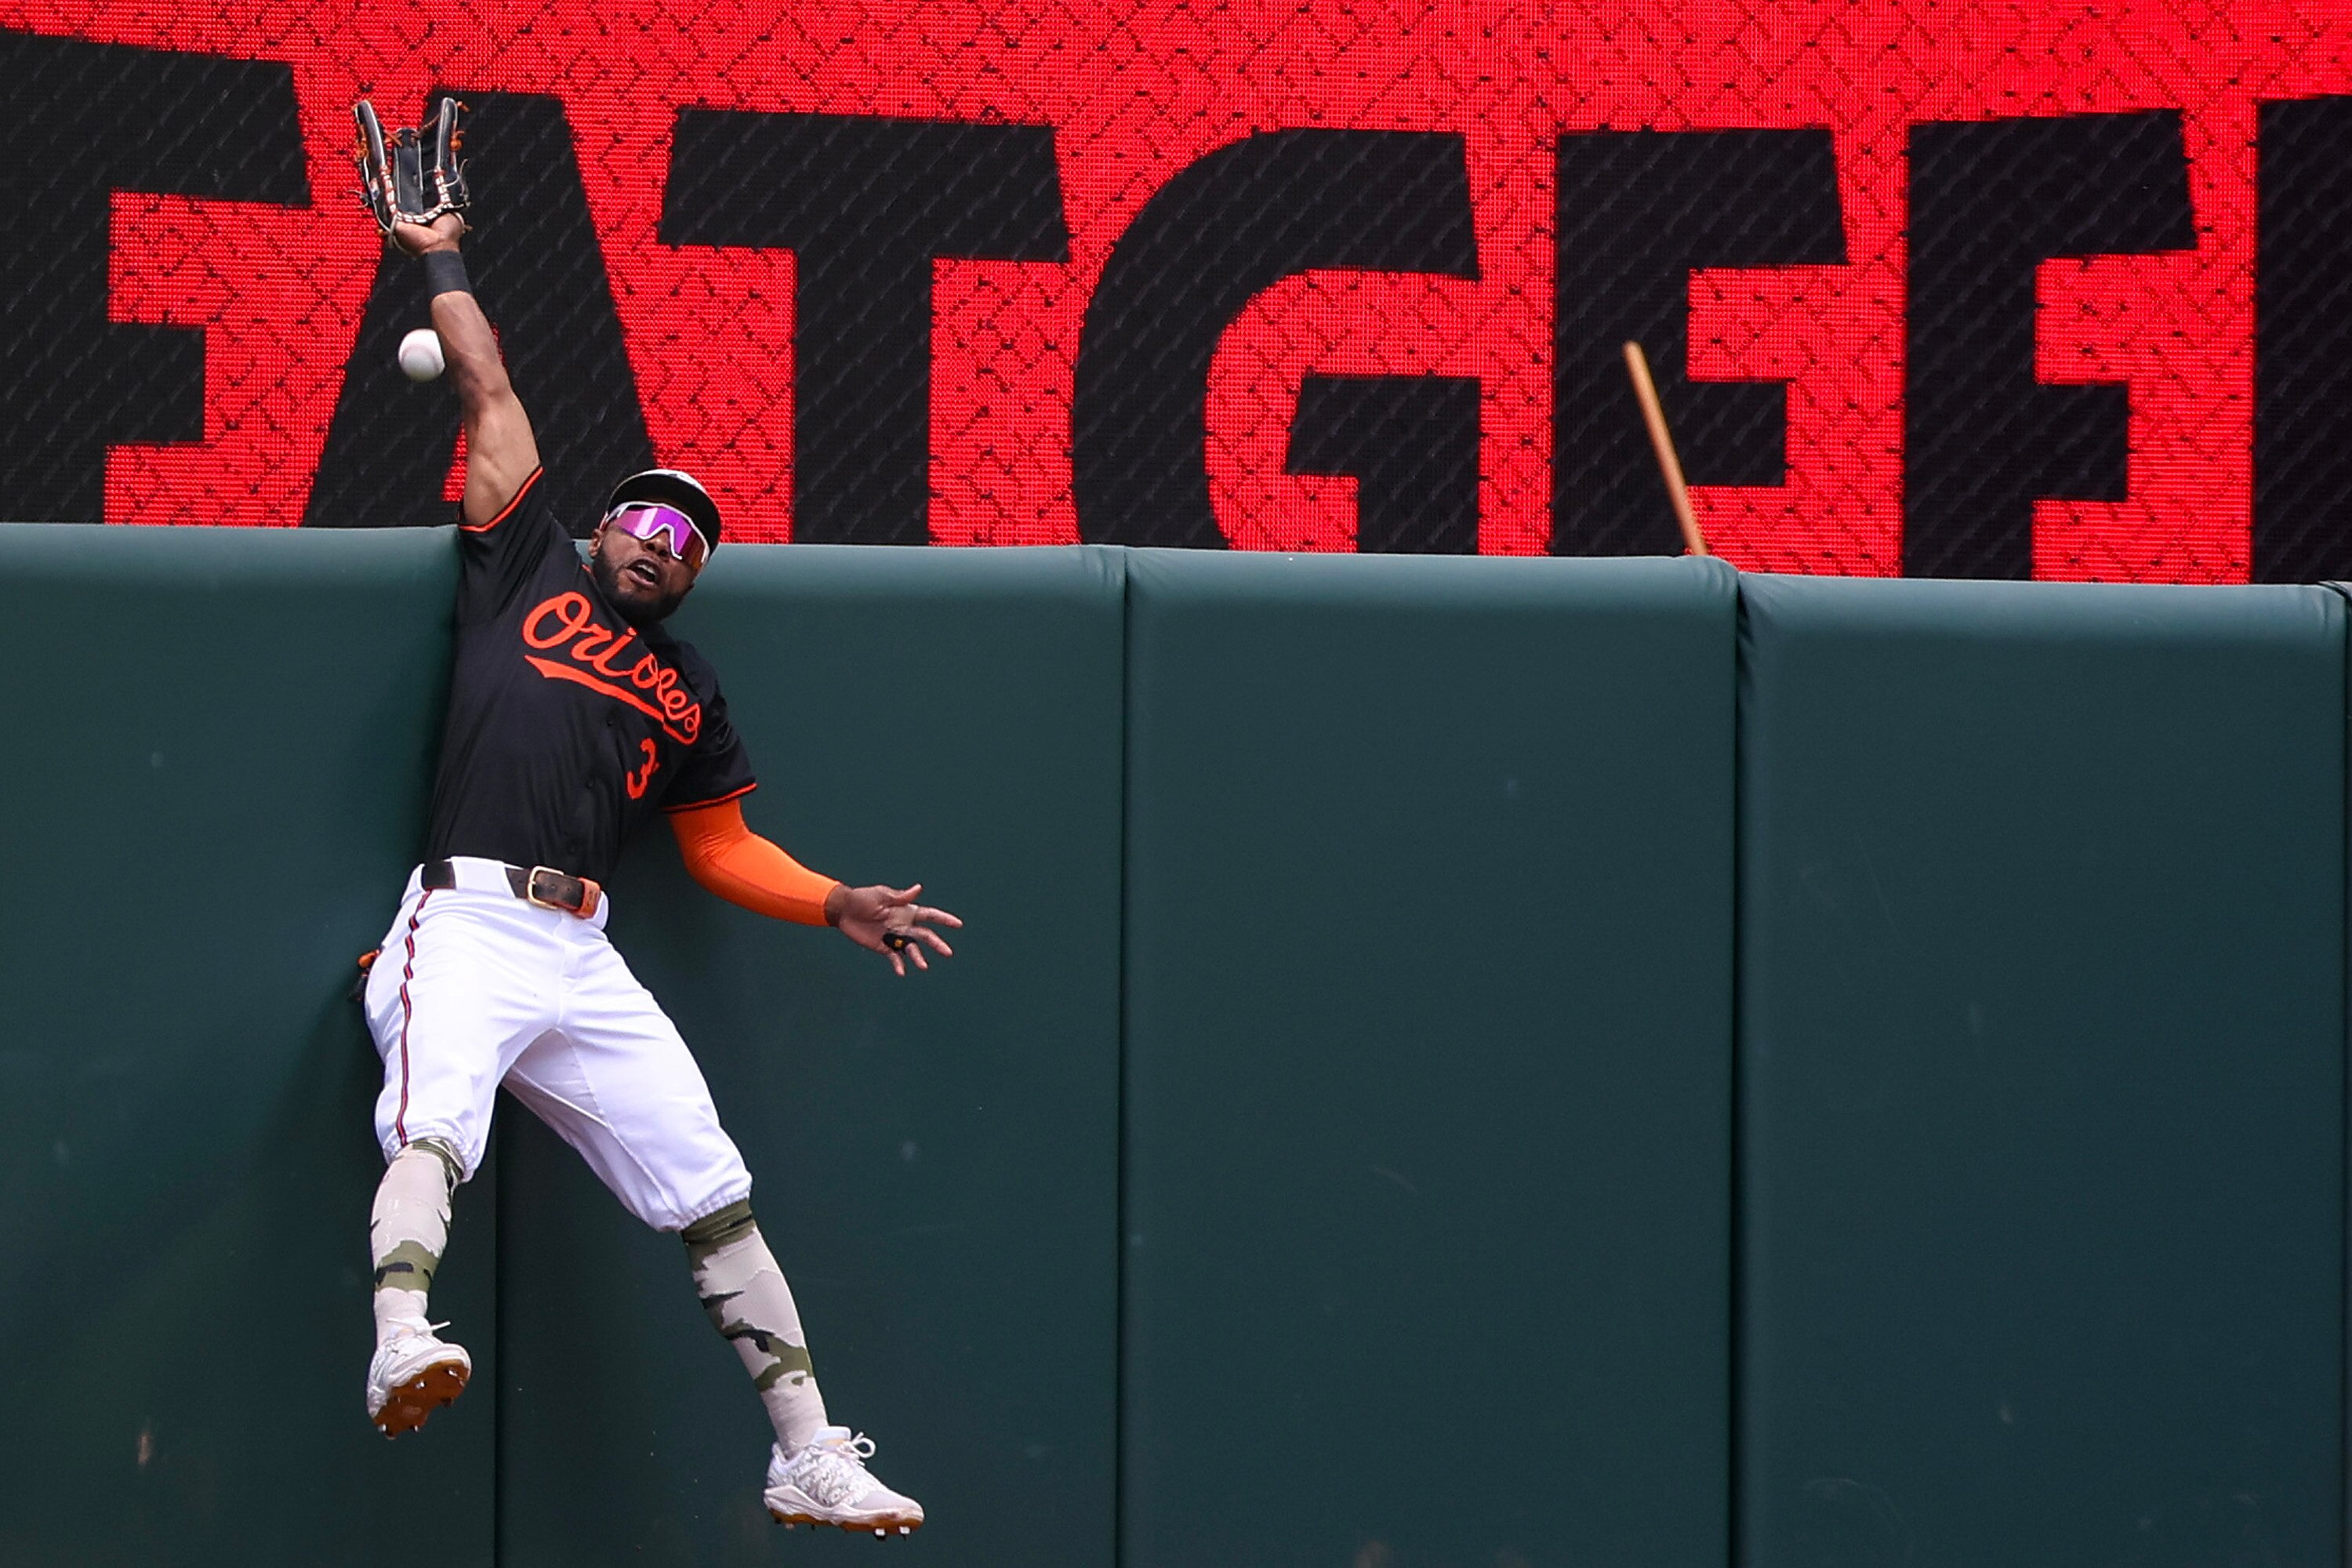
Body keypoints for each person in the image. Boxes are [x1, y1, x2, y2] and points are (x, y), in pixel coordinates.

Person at [355, 203, 956, 1537]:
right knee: (438, 1122)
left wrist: (834, 899)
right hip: (466, 914)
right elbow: (488, 385)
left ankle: (804, 1452)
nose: (658, 547)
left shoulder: (688, 692)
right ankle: (401, 1331)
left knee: (713, 1190)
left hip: (583, 952)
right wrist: (439, 252)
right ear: (606, 526)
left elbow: (720, 843)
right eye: (644, 523)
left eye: (687, 546)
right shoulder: (520, 566)